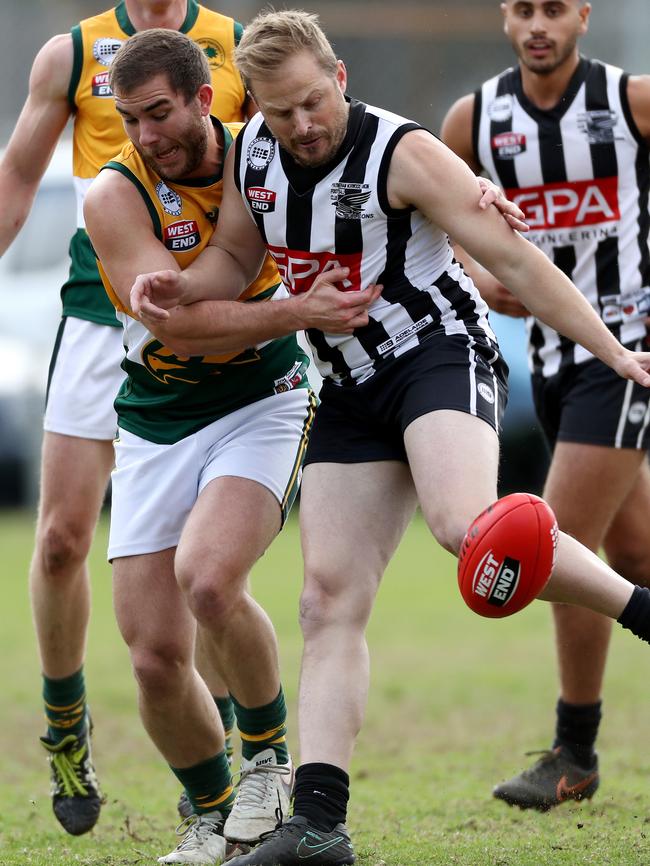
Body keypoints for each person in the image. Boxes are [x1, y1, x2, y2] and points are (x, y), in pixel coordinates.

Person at [129, 11, 650, 865]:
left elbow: (516, 264)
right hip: (347, 385)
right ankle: (321, 826)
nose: (300, 125)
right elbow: (232, 254)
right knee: (325, 601)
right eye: (278, 109)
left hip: (439, 355)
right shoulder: (254, 151)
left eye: (311, 103)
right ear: (253, 105)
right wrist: (178, 288)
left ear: (338, 77)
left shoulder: (400, 152)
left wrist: (613, 350)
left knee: (465, 527)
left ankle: (642, 610)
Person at [82, 27, 384, 865]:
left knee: (209, 581)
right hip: (154, 416)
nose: (145, 136)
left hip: (264, 399)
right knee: (151, 655)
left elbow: (377, 152)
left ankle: (268, 765)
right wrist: (295, 309)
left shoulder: (267, 145)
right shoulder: (114, 196)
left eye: (157, 114)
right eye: (129, 120)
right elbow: (188, 329)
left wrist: (466, 207)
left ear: (200, 99)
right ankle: (213, 813)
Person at [0, 0, 255, 836]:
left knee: (200, 561)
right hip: (98, 307)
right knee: (62, 538)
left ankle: (221, 756)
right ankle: (67, 728)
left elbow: (282, 161)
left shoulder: (237, 46)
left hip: (208, 305)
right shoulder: (69, 53)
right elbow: (17, 178)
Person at [440, 0, 650, 810]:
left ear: (583, 17)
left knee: (557, 544)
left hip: (626, 355)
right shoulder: (475, 117)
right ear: (504, 16)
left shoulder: (629, 101)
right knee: (630, 559)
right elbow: (429, 207)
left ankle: (575, 748)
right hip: (552, 358)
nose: (539, 24)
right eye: (525, 8)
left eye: (554, 9)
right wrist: (476, 269)